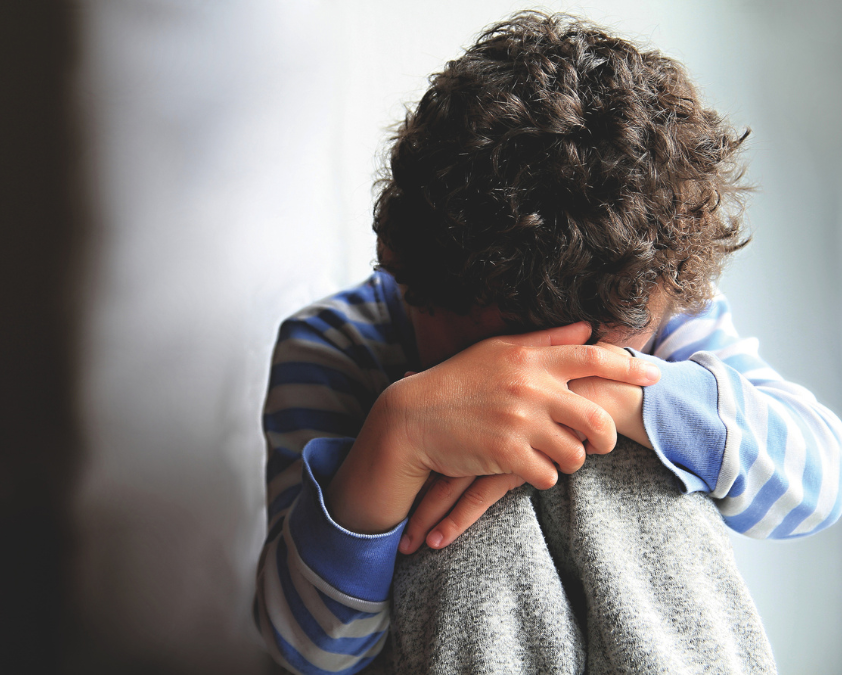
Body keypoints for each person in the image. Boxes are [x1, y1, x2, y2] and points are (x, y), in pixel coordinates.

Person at [255, 12, 842, 675]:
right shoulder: (337, 345)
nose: (534, 384)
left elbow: (817, 481)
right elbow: (306, 648)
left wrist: (616, 389)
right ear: (399, 265)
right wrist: (398, 436)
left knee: (630, 471)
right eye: (500, 361)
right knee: (482, 530)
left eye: (585, 353)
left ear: (670, 293)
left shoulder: (662, 312)